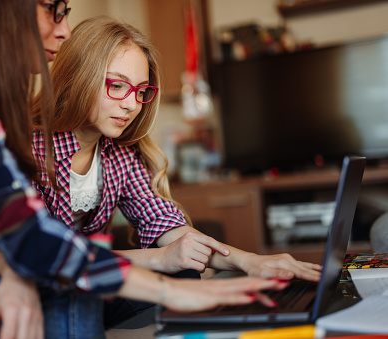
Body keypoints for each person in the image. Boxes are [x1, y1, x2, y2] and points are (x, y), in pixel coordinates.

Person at [0, 1, 291, 339]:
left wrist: (246, 261)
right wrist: (167, 286)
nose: (64, 30)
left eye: (141, 92)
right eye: (53, 10)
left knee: (87, 286)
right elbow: (12, 234)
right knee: (75, 292)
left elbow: (157, 222)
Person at [27, 16, 322, 327]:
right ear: (78, 76)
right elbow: (40, 253)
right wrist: (156, 258)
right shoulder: (27, 149)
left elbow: (167, 225)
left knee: (184, 266)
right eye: (116, 85)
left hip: (94, 282)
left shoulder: (120, 156)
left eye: (140, 91)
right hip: (41, 283)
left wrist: (249, 261)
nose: (131, 104)